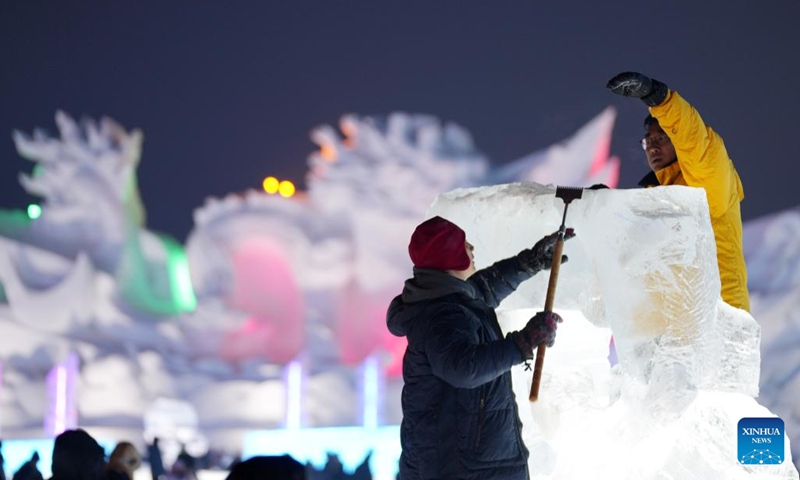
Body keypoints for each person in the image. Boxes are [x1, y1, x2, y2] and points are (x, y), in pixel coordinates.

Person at [386, 215, 573, 480]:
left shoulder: (445, 302)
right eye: (464, 246)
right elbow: (463, 368)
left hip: (467, 465)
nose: (472, 249)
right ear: (450, 258)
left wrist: (527, 263)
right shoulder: (442, 316)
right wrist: (524, 342)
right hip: (462, 469)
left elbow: (482, 290)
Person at [607, 71, 749, 312]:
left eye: (661, 137)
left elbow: (698, 145)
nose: (652, 146)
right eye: (648, 141)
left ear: (676, 140)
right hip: (674, 330)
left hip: (719, 319)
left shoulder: (707, 182)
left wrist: (660, 99)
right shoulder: (655, 198)